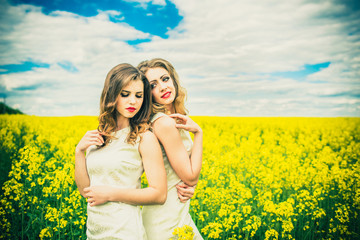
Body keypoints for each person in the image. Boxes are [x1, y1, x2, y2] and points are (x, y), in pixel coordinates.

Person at [74, 63, 167, 239]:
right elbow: (87, 191)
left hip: (125, 232)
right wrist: (79, 152)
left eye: (139, 96)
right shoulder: (99, 136)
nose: (133, 101)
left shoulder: (144, 138)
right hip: (94, 232)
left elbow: (159, 193)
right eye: (125, 94)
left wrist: (110, 194)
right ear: (111, 94)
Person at [137, 58, 204, 239]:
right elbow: (189, 176)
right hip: (166, 219)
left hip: (175, 211)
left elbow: (177, 171)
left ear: (173, 79)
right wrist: (198, 134)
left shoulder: (165, 119)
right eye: (152, 85)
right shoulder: (164, 123)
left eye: (165, 79)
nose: (163, 87)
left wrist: (190, 186)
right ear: (147, 93)